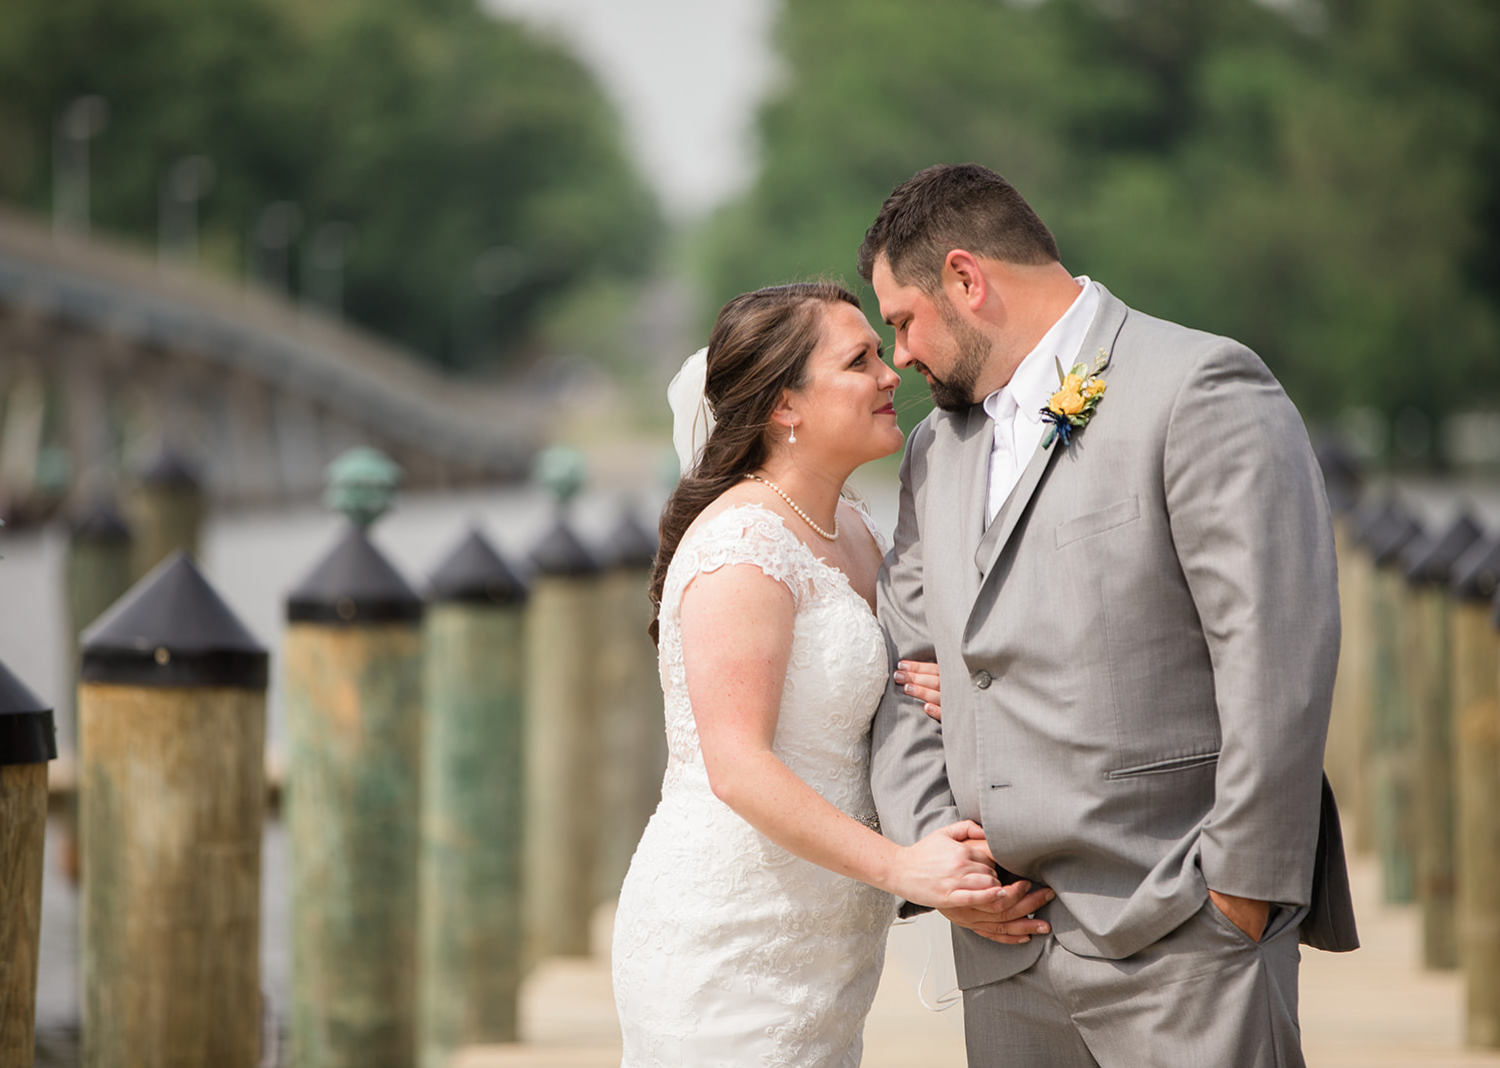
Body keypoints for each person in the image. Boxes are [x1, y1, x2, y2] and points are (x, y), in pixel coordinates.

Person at [861, 163, 1359, 1067]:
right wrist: (942, 855)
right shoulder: (936, 448)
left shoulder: (1198, 387)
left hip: (1182, 939)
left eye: (902, 321)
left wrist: (1237, 896)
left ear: (968, 281)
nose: (898, 356)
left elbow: (1276, 654)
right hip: (1003, 955)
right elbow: (903, 663)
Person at [611, 281, 1053, 1066]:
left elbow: (881, 695)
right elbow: (737, 767)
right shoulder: (742, 547)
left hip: (826, 941)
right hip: (729, 936)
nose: (892, 374)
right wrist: (906, 868)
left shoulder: (851, 524)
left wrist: (962, 696)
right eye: (860, 360)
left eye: (882, 353)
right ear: (787, 405)